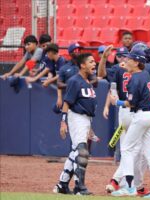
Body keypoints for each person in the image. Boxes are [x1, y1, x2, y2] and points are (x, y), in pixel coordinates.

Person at [109, 47, 150, 198]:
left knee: (126, 148)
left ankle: (129, 187)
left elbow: (131, 103)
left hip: (141, 116)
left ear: (136, 62)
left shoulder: (135, 78)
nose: (126, 61)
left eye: (129, 59)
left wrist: (117, 102)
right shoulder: (145, 73)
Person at [56, 53, 97, 195]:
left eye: (94, 62)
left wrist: (89, 126)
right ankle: (79, 188)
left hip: (85, 119)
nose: (94, 64)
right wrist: (63, 122)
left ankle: (62, 184)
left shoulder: (87, 82)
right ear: (82, 65)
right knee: (82, 152)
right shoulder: (75, 80)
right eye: (91, 61)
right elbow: (67, 102)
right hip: (76, 117)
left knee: (75, 153)